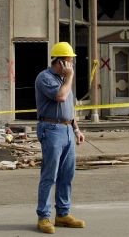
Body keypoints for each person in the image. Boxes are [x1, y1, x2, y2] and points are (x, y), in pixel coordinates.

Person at [34, 41, 86, 234]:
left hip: (66, 130)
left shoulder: (65, 79)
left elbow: (68, 109)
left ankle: (63, 214)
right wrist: (70, 77)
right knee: (50, 175)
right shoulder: (45, 77)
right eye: (69, 61)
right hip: (51, 129)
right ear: (61, 62)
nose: (72, 64)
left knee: (67, 174)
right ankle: (44, 217)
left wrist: (76, 129)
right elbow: (61, 97)